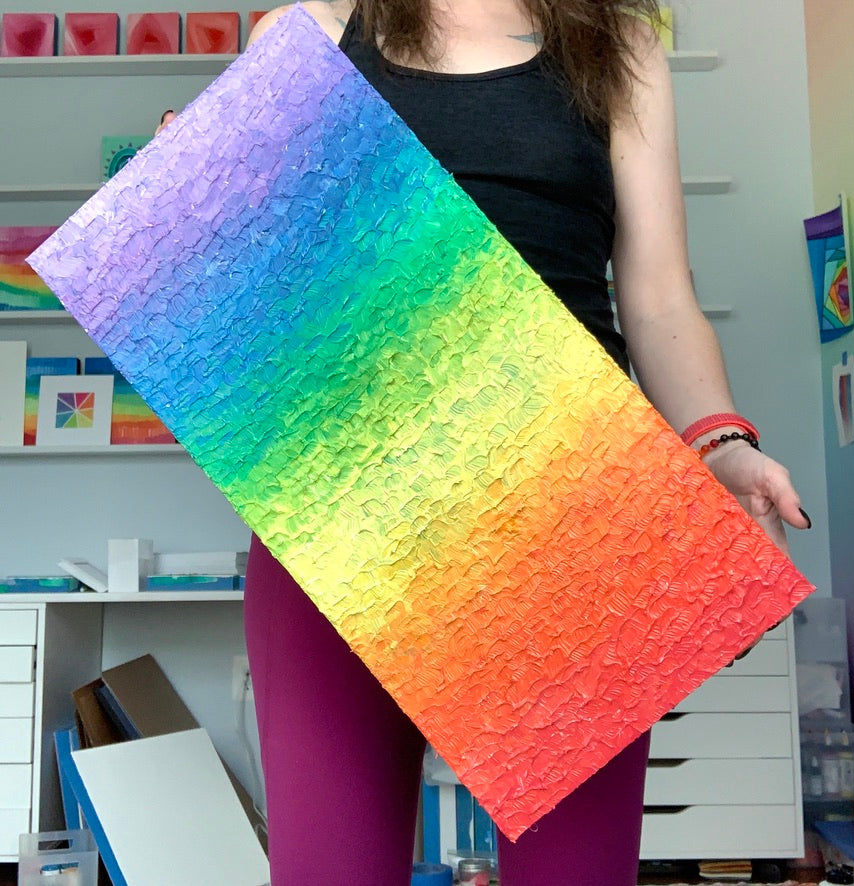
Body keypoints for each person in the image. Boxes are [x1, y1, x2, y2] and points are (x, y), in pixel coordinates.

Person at [184, 1, 812, 883]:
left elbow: (661, 295)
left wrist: (722, 443)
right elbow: (264, 303)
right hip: (343, 517)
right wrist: (198, 222)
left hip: (567, 521)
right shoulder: (306, 34)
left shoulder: (618, 48)